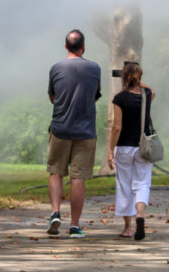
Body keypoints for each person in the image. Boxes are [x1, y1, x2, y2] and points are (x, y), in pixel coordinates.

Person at [46, 29, 101, 239]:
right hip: (85, 131)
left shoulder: (56, 68)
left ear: (66, 46)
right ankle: (75, 225)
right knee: (78, 177)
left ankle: (55, 213)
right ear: (84, 47)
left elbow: (53, 96)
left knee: (56, 171)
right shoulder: (94, 68)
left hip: (60, 128)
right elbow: (94, 96)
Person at [106, 61, 156, 240]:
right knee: (142, 183)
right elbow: (153, 91)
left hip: (125, 147)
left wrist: (110, 150)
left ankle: (127, 228)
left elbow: (117, 127)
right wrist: (138, 81)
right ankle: (140, 216)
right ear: (140, 77)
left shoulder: (120, 98)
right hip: (143, 147)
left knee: (125, 186)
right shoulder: (147, 94)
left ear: (123, 78)